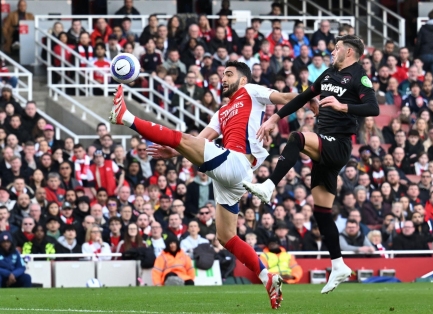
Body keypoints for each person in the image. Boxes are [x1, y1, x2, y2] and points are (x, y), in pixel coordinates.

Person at [110, 61, 298, 308]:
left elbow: (285, 97)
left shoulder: (251, 91)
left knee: (183, 139)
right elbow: (199, 141)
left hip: (238, 162)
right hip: (230, 173)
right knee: (226, 236)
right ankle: (267, 276)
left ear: (243, 80)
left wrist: (310, 99)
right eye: (222, 74)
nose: (224, 78)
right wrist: (177, 151)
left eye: (229, 74)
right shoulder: (221, 112)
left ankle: (125, 117)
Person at [243, 35, 379, 294]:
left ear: (349, 52)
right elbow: (304, 97)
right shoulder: (328, 74)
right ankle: (338, 265)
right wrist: (274, 119)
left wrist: (342, 106)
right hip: (326, 146)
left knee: (298, 138)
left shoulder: (359, 76)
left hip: (338, 144)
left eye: (337, 48)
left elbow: (372, 108)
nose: (333, 51)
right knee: (321, 212)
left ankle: (269, 185)